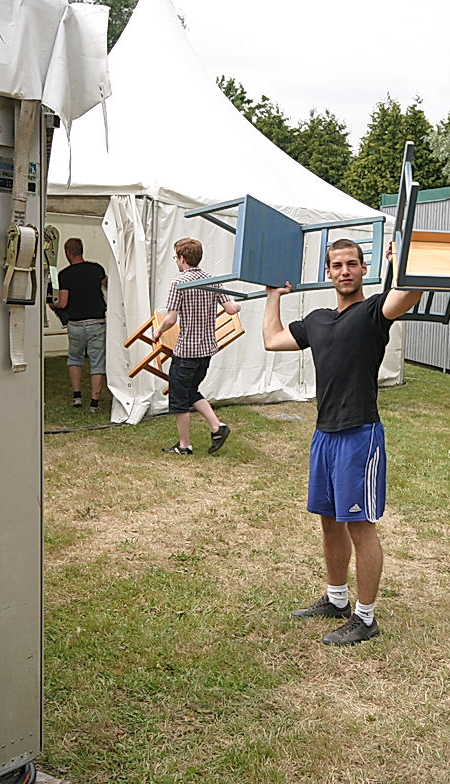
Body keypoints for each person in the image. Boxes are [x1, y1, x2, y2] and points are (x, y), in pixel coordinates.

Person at [263, 238, 422, 645]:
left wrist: (401, 261)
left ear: (363, 269)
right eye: (337, 265)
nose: (345, 271)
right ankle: (336, 599)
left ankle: (365, 618)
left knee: (359, 526)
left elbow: (409, 293)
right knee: (329, 521)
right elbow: (273, 339)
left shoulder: (374, 313)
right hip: (324, 435)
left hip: (359, 435)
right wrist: (273, 296)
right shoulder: (317, 320)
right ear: (329, 272)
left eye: (352, 264)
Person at [152, 237, 241, 455]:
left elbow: (171, 318)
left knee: (179, 396)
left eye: (175, 257)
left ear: (182, 258)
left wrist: (158, 331)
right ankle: (217, 426)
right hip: (206, 350)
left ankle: (184, 446)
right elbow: (230, 309)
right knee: (192, 391)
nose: (176, 261)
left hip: (186, 352)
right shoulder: (212, 279)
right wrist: (238, 304)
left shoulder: (179, 282)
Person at [56, 237, 107, 412]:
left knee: (75, 359)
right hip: (97, 322)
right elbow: (108, 284)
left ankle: (77, 397)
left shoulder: (64, 275)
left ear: (67, 252)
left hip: (76, 324)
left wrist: (51, 302)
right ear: (82, 250)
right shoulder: (96, 269)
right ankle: (94, 402)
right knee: (97, 362)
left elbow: (62, 303)